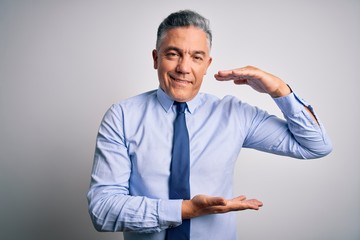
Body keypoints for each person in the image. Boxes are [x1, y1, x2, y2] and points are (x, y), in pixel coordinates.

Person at [87, 9, 332, 240]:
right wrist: (184, 210)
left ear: (207, 64)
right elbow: (102, 209)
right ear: (155, 58)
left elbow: (315, 145)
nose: (184, 67)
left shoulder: (234, 114)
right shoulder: (122, 116)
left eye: (196, 57)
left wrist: (278, 89)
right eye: (173, 54)